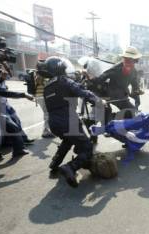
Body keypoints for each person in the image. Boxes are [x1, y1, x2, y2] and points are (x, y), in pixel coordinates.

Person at [41, 56, 104, 188]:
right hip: (68, 121)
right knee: (87, 147)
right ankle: (70, 167)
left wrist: (81, 80)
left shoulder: (47, 86)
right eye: (64, 69)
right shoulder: (64, 81)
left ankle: (55, 163)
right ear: (59, 69)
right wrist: (98, 101)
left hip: (54, 124)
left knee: (68, 139)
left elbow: (68, 92)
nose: (66, 71)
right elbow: (81, 92)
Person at [90, 46, 142, 122]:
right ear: (123, 59)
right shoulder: (116, 68)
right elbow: (102, 77)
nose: (127, 62)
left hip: (122, 96)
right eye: (125, 59)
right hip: (110, 95)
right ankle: (109, 123)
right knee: (105, 111)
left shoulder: (134, 72)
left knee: (132, 112)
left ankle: (117, 124)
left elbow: (135, 87)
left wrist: (137, 101)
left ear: (135, 61)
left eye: (130, 60)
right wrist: (90, 79)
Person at [0, 80, 34, 158]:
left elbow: (1, 88)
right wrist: (24, 95)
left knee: (13, 127)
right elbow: (5, 92)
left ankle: (18, 150)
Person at [34, 63, 55, 138]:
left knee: (47, 113)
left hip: (40, 96)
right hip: (42, 96)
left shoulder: (38, 74)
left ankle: (47, 130)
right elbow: (42, 83)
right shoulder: (39, 74)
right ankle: (46, 131)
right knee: (47, 114)